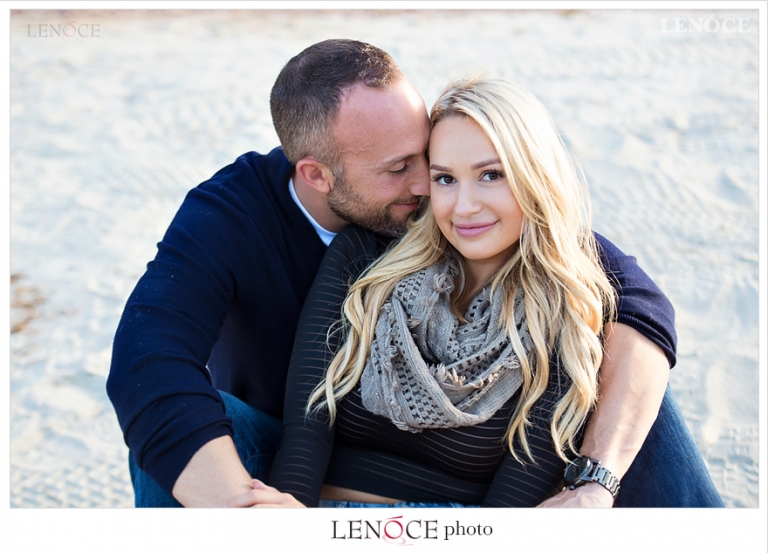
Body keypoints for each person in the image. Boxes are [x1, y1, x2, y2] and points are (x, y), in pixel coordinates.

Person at [107, 39, 719, 508]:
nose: (431, 188)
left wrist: (595, 481)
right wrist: (246, 510)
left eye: (430, 158)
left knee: (630, 386)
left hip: (466, 483)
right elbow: (147, 361)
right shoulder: (237, 216)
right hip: (288, 457)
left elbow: (634, 299)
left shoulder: (452, 215)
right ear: (318, 175)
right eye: (407, 167)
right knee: (177, 429)